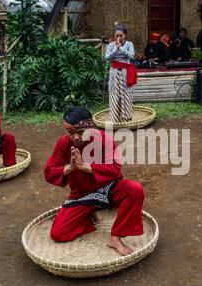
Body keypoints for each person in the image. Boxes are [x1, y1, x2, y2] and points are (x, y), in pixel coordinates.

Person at [44, 106, 145, 256]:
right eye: (71, 133)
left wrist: (86, 167)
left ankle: (115, 237)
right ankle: (89, 213)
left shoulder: (104, 139)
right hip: (82, 195)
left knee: (135, 189)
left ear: (90, 128)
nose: (76, 137)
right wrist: (69, 168)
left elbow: (115, 168)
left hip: (109, 189)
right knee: (58, 233)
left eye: (81, 132)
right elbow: (49, 172)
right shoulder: (63, 144)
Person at [105, 25, 137, 123]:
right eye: (116, 35)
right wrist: (115, 49)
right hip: (114, 73)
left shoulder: (129, 44)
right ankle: (115, 118)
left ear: (125, 35)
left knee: (126, 93)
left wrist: (121, 48)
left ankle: (126, 117)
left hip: (125, 72)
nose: (118, 38)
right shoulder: (111, 45)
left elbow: (131, 56)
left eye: (120, 35)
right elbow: (106, 57)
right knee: (114, 93)